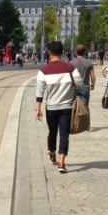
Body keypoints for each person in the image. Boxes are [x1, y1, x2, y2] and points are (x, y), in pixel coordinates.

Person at [34, 41, 83, 174]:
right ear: (62, 52)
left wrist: (37, 109)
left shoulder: (43, 71)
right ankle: (62, 162)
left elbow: (39, 91)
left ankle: (51, 152)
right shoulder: (70, 68)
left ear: (49, 53)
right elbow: (79, 83)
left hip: (51, 107)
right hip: (67, 107)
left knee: (52, 132)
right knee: (64, 134)